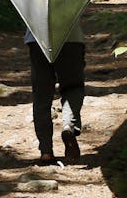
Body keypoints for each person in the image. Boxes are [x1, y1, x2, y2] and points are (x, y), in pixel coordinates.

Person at [27, 23, 86, 164]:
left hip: (37, 38)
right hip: (72, 38)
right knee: (72, 87)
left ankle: (46, 151)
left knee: (41, 94)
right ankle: (69, 126)